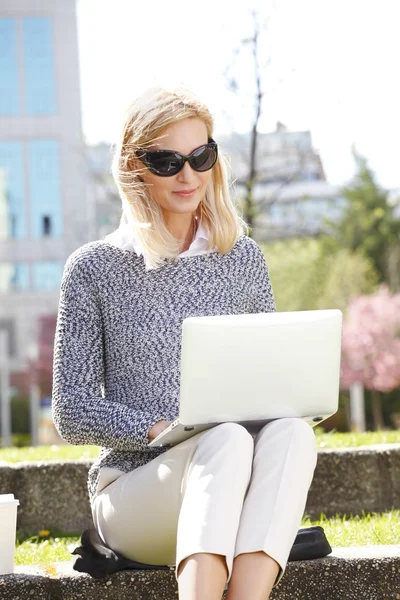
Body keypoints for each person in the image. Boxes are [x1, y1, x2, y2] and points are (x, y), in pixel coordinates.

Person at [52, 86, 318, 600]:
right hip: (134, 491)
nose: (188, 175)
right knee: (224, 440)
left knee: (290, 435)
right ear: (134, 166)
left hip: (233, 478)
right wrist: (161, 431)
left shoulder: (242, 259)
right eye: (168, 161)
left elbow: (269, 378)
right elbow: (72, 409)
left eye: (201, 157)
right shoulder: (93, 268)